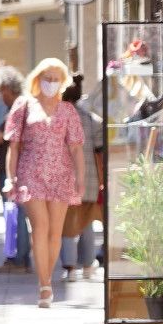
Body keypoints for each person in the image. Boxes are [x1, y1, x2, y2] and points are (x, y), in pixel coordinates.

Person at [5, 58, 85, 308]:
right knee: (40, 227)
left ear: (63, 82)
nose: (51, 83)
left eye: (56, 78)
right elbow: (14, 146)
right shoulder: (23, 105)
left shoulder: (68, 110)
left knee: (55, 231)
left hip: (61, 174)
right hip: (31, 173)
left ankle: (47, 278)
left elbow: (76, 149)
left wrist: (81, 180)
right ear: (37, 78)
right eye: (46, 77)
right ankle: (45, 285)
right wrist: (11, 177)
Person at [60, 74, 103, 282]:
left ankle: (70, 268)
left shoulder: (56, 120)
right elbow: (99, 151)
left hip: (64, 179)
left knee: (67, 224)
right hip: (90, 180)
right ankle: (87, 264)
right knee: (86, 223)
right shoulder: (90, 119)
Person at [0, 68, 32, 274]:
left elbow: (1, 138)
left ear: (7, 88)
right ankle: (19, 258)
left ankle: (18, 259)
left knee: (14, 213)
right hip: (16, 167)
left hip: (14, 168)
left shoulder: (18, 107)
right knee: (16, 213)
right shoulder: (21, 106)